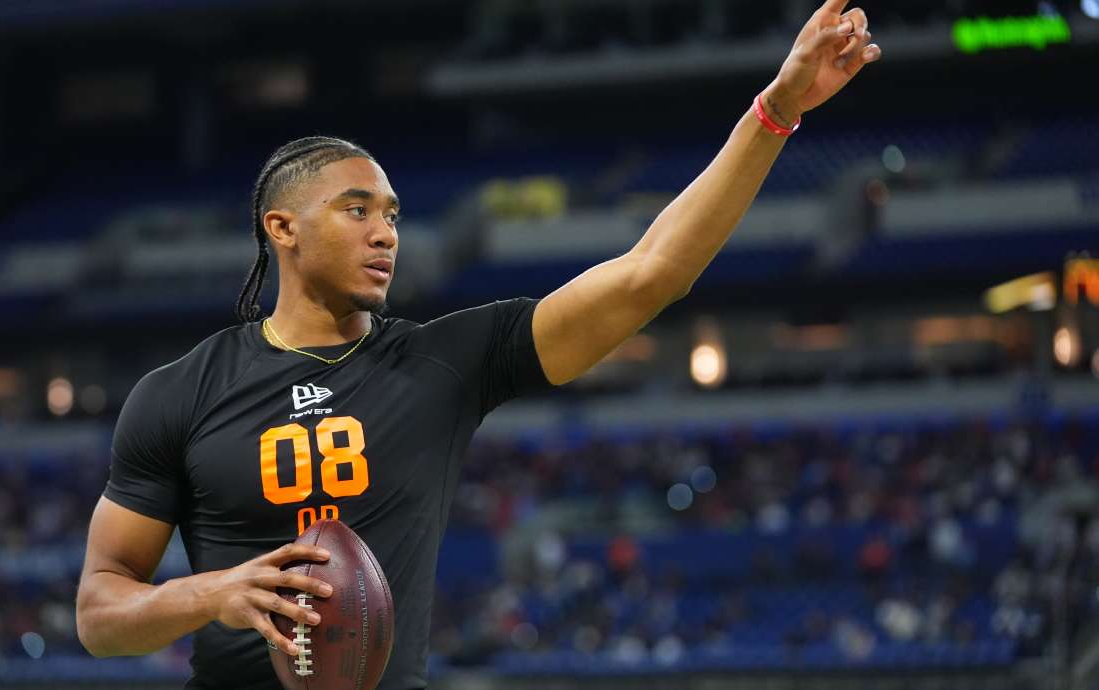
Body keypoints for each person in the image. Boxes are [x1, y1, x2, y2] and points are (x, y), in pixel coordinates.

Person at [75, 2, 880, 687]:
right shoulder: (179, 392)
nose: (386, 232)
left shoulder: (442, 361)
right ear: (280, 228)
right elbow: (100, 612)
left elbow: (650, 274)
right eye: (357, 210)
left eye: (392, 213)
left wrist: (773, 114)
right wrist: (212, 594)